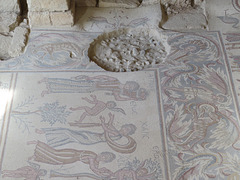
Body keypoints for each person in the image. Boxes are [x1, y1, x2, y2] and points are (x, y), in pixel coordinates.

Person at [31, 141, 115, 177]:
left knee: (57, 161)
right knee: (56, 153)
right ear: (102, 154)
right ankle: (38, 143)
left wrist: (107, 172)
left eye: (106, 158)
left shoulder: (97, 163)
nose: (104, 157)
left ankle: (37, 157)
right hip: (72, 154)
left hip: (73, 159)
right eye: (105, 155)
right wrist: (102, 172)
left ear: (106, 161)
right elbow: (93, 168)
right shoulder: (93, 156)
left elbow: (96, 170)